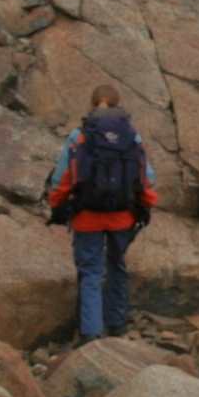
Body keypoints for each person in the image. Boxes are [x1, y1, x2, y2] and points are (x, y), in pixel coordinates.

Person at [43, 86, 156, 343]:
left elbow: (63, 178)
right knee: (116, 265)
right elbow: (147, 177)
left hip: (87, 216)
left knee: (91, 272)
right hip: (123, 217)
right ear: (118, 105)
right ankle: (116, 325)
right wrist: (146, 204)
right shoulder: (131, 136)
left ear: (91, 104)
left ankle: (91, 333)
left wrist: (56, 204)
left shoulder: (79, 136)